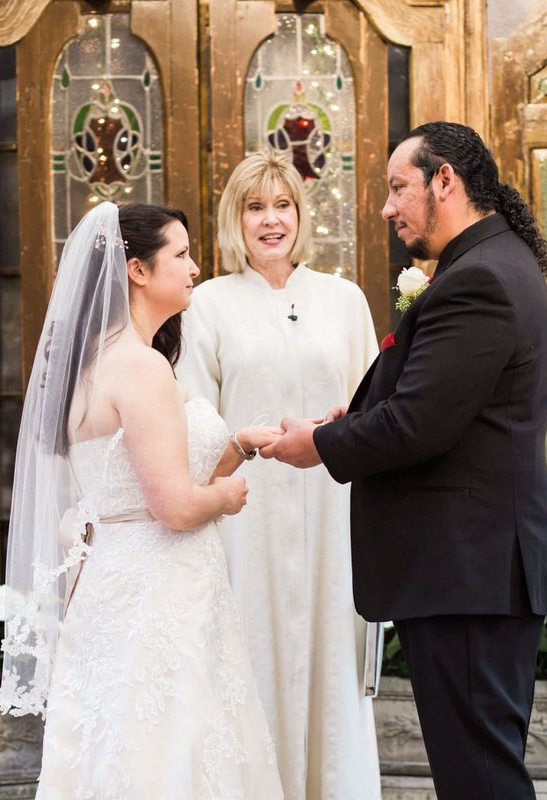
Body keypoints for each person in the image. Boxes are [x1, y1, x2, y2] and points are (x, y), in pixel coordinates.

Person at [261, 122, 547, 799]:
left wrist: (318, 446)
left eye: (399, 188)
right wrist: (355, 421)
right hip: (476, 569)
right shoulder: (489, 264)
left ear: (445, 182)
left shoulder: (479, 278)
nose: (387, 207)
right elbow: (444, 407)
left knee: (479, 778)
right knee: (479, 770)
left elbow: (420, 424)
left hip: (469, 569)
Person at [0, 201, 285, 799]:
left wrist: (238, 445)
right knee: (172, 750)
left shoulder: (93, 363)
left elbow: (142, 481)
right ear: (136, 270)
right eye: (179, 255)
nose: (194, 268)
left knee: (119, 751)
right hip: (162, 593)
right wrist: (229, 497)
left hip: (114, 585)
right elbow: (176, 507)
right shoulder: (142, 367)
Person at [177, 150, 382, 800]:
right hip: (246, 519)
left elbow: (373, 408)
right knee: (252, 656)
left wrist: (344, 422)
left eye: (283, 204)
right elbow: (191, 421)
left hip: (331, 515)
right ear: (235, 219)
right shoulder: (207, 305)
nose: (272, 220)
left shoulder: (343, 300)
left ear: (301, 213)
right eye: (256, 206)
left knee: (329, 665)